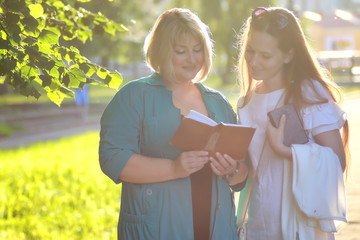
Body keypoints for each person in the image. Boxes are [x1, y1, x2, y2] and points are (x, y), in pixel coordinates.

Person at [99, 8, 247, 240]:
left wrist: (233, 170)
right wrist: (174, 169)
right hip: (157, 228)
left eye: (198, 50)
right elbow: (113, 159)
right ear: (161, 52)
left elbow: (242, 175)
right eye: (181, 51)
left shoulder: (218, 102)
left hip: (215, 229)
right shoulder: (134, 96)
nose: (192, 59)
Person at [236, 7, 350, 240]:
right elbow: (255, 170)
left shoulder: (308, 93)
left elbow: (337, 160)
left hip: (301, 226)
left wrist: (286, 151)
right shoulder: (245, 102)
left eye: (265, 55)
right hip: (258, 224)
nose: (254, 61)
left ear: (288, 55)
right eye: (250, 51)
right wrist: (232, 169)